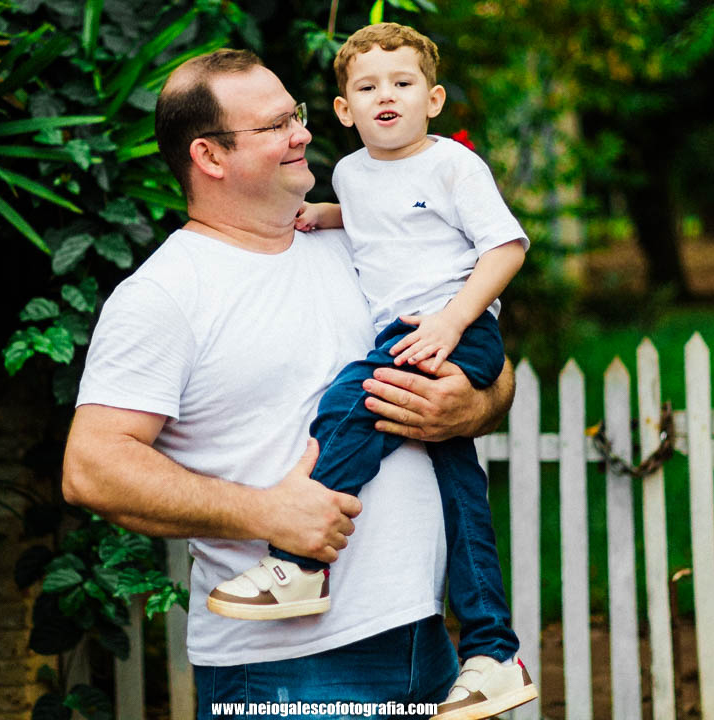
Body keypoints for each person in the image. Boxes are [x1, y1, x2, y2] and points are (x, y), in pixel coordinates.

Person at [62, 48, 516, 719]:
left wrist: (473, 406)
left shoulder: (362, 245)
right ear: (209, 156)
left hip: (425, 641)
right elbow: (92, 468)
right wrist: (265, 513)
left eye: (296, 115)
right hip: (282, 669)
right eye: (275, 126)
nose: (302, 134)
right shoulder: (166, 293)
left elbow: (485, 357)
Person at [210, 24, 536, 720]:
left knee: (349, 401)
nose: (386, 95)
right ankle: (495, 655)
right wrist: (326, 215)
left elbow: (507, 246)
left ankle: (300, 565)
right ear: (343, 109)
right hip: (411, 333)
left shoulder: (453, 166)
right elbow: (379, 221)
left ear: (434, 100)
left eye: (403, 83)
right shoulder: (352, 174)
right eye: (367, 87)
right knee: (461, 495)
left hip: (452, 329)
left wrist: (452, 321)